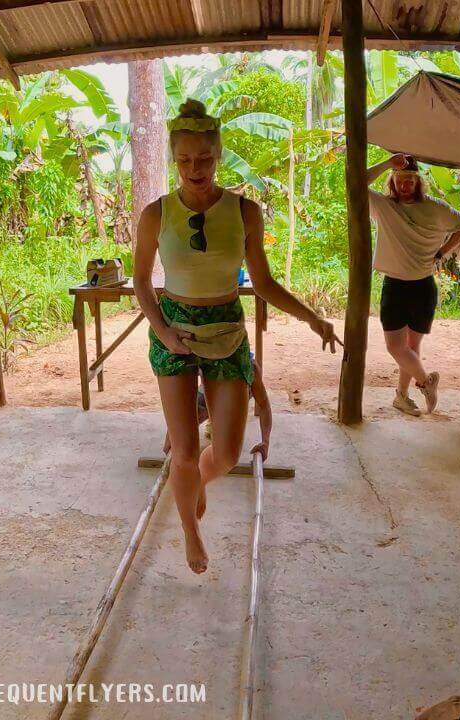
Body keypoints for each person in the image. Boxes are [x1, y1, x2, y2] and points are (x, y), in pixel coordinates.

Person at [133, 99, 340, 574]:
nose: (194, 169)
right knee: (183, 449)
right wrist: (163, 331)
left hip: (227, 327)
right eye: (184, 160)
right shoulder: (155, 214)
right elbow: (144, 284)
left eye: (203, 158)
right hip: (174, 332)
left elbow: (263, 284)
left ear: (218, 153)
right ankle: (189, 528)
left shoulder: (245, 211)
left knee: (224, 453)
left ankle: (199, 481)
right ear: (173, 159)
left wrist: (312, 317)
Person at [366, 153, 460, 416]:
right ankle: (426, 382)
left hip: (423, 287)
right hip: (395, 285)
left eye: (410, 180)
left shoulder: (435, 207)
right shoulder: (384, 206)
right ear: (393, 181)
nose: (404, 185)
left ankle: (401, 396)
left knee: (411, 348)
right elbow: (354, 180)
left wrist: (442, 251)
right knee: (396, 347)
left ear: (418, 182)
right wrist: (388, 163)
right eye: (399, 180)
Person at [161, 353, 272, 461]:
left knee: (227, 449)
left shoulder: (249, 368)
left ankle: (219, 421)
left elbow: (264, 405)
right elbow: (182, 401)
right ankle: (214, 419)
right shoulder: (203, 357)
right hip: (210, 391)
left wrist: (265, 442)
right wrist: (173, 434)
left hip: (235, 397)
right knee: (187, 424)